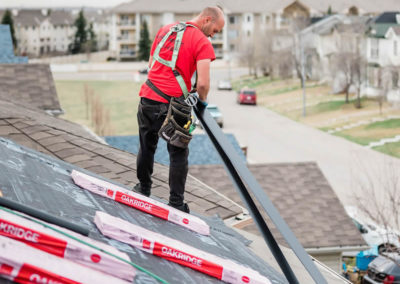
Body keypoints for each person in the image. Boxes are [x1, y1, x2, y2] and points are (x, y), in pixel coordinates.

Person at [134, 7, 225, 213]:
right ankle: (176, 203)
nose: (213, 35)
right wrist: (201, 102)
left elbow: (152, 64)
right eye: (215, 30)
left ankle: (143, 189)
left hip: (148, 97)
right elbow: (202, 84)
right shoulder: (202, 42)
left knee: (146, 146)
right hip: (174, 105)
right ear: (207, 19)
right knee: (178, 153)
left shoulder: (165, 30)